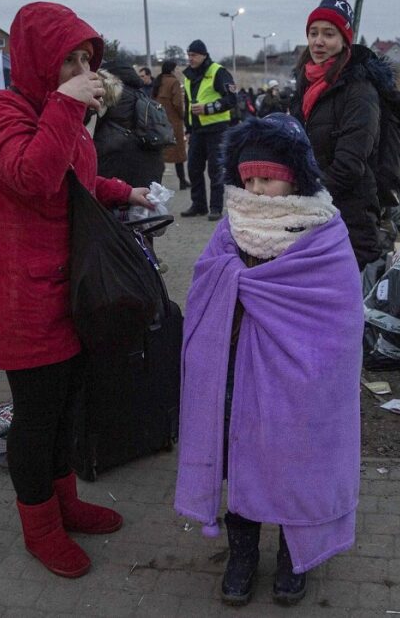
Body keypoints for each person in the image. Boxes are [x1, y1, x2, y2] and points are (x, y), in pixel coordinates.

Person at [0, 1, 153, 579]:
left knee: (69, 404)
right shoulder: (1, 109)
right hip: (23, 294)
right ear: (38, 60)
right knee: (37, 416)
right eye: (68, 59)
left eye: (86, 58)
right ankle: (40, 527)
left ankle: (66, 503)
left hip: (72, 289)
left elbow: (78, 180)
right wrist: (65, 105)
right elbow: (33, 176)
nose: (81, 69)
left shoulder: (62, 113)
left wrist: (126, 192)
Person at [175, 113, 362, 607]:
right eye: (249, 177)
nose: (257, 188)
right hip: (238, 363)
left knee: (292, 459)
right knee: (241, 457)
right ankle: (242, 552)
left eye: (269, 177)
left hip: (300, 377)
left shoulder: (323, 231)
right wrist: (236, 283)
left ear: (295, 176)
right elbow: (204, 285)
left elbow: (340, 315)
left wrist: (254, 288)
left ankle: (291, 554)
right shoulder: (232, 224)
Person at [291, 0, 384, 269]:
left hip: (348, 218)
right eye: (313, 33)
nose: (319, 41)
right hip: (313, 212)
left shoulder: (359, 91)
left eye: (329, 34)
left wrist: (306, 196)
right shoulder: (305, 84)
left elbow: (350, 164)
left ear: (345, 40)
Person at [181, 39, 237, 221]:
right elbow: (188, 104)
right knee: (193, 168)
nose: (190, 58)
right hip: (197, 130)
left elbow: (232, 100)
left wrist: (208, 108)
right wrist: (188, 129)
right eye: (189, 55)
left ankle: (215, 207)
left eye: (194, 55)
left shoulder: (218, 72)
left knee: (215, 170)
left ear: (204, 55)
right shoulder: (188, 76)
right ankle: (198, 205)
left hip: (217, 129)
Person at [93, 63, 164, 189]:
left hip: (115, 160)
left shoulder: (110, 95)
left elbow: (94, 126)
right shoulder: (141, 95)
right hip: (150, 161)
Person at [153, 59, 189, 189]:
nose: (178, 71)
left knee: (160, 154)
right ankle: (182, 181)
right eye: (177, 68)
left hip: (159, 122)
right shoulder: (174, 82)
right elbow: (178, 103)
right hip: (173, 122)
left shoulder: (158, 81)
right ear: (172, 70)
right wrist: (182, 116)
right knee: (178, 154)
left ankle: (157, 183)